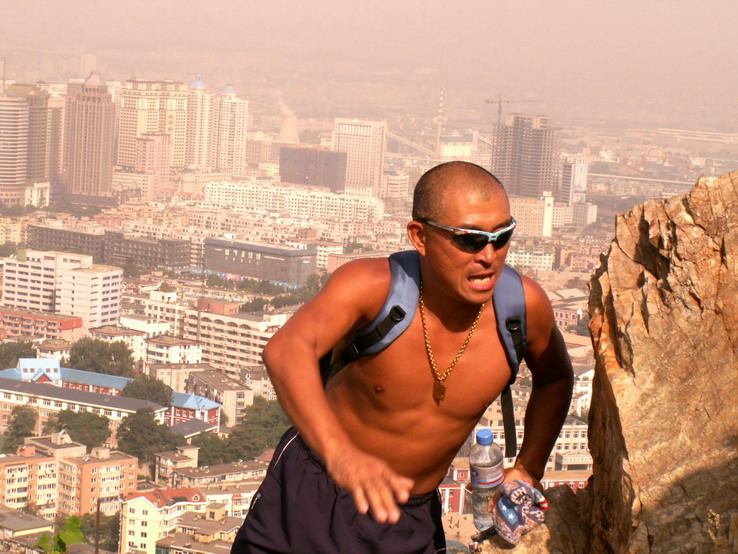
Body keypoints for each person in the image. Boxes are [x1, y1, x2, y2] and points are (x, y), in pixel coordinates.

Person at [232, 161, 574, 553]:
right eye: (469, 240)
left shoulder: (522, 309)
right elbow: (286, 349)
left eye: (502, 236)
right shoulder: (372, 287)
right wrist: (340, 454)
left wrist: (530, 466)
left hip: (411, 519)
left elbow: (555, 378)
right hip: (312, 495)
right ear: (420, 236)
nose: (489, 255)